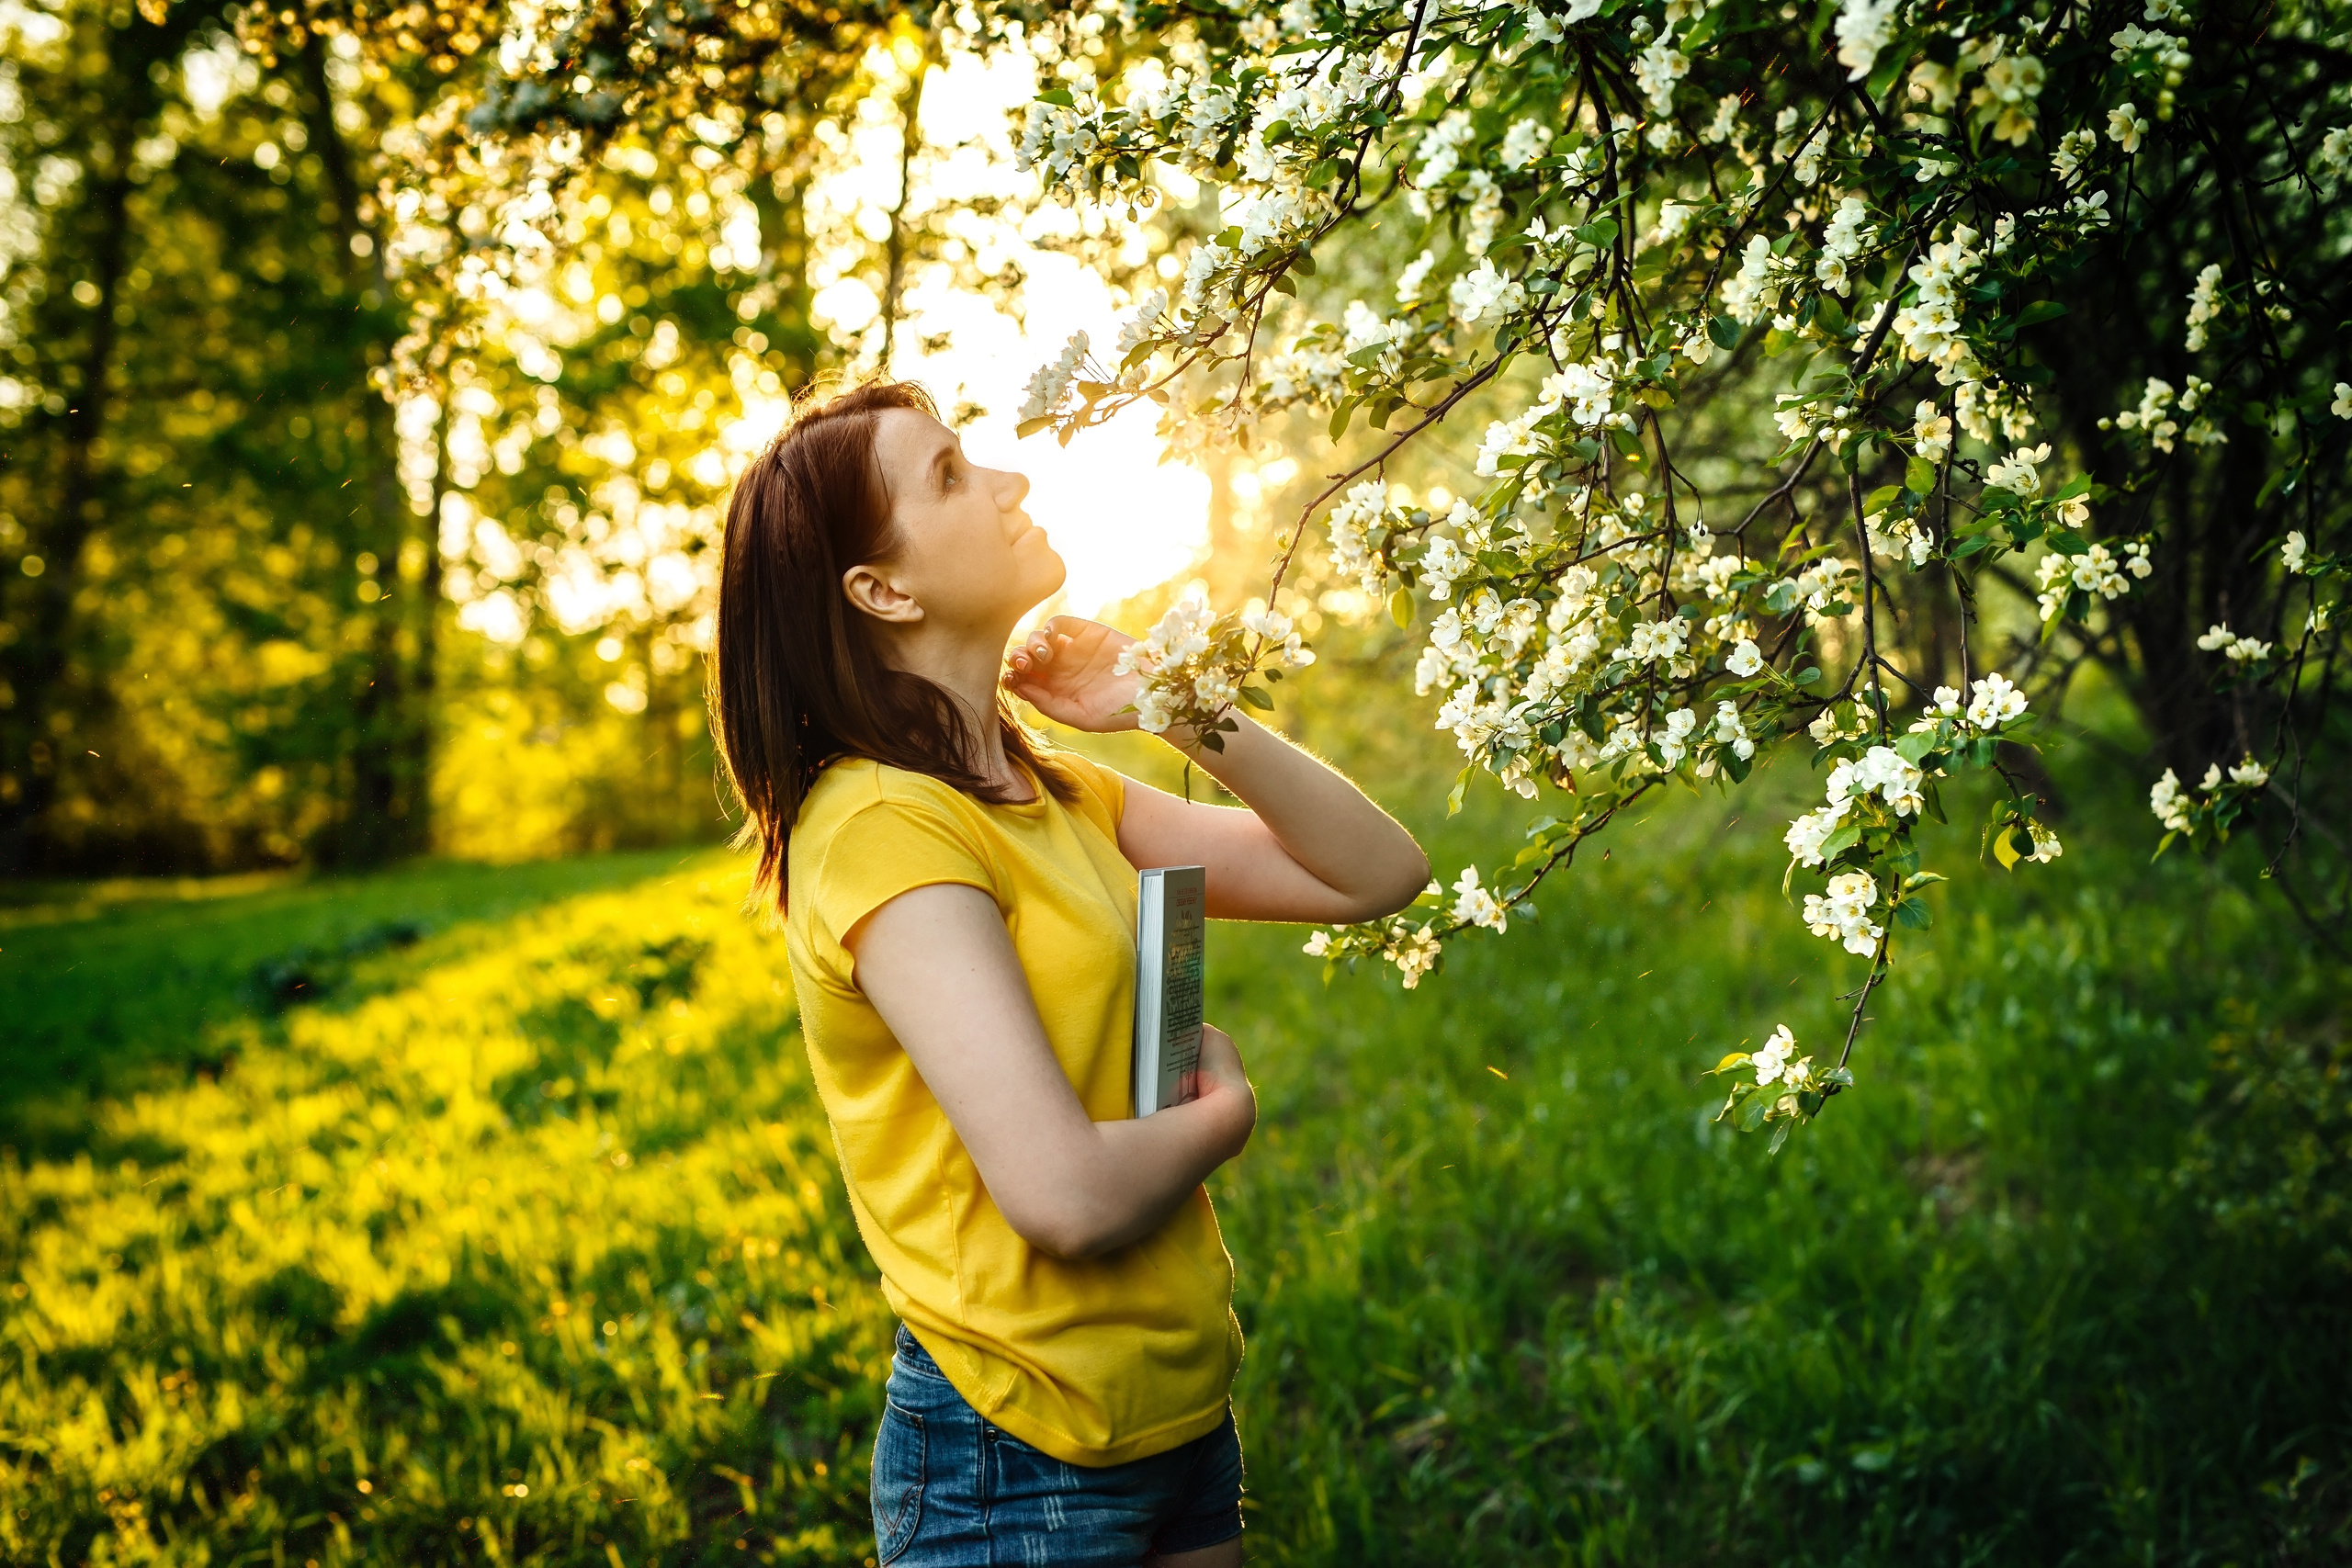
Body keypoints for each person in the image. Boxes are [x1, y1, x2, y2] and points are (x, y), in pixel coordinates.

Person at [708, 380, 1428, 1567]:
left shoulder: (1054, 787)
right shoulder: (887, 823)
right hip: (1016, 1444)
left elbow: (1374, 873)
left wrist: (1171, 704)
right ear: (881, 591)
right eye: (948, 474)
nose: (1010, 480)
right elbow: (1066, 1198)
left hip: (1172, 1400)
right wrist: (1228, 1117)